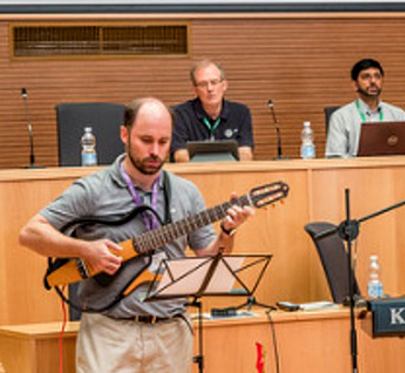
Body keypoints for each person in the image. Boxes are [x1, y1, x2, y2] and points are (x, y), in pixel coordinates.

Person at [19, 97, 255, 372]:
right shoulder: (93, 189)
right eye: (146, 140)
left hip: (171, 334)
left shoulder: (186, 192)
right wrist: (86, 249)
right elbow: (30, 233)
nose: (155, 151)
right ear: (124, 134)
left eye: (164, 142)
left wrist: (227, 231)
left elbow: (210, 256)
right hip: (110, 334)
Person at [172, 59, 254, 161]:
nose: (210, 89)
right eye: (203, 84)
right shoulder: (179, 115)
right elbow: (179, 156)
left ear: (224, 85)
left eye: (214, 82)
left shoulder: (241, 113)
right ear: (195, 89)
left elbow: (246, 154)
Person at [325, 58, 405, 158]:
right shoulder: (340, 117)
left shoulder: (398, 115)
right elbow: (335, 157)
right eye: (366, 77)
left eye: (377, 77)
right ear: (355, 85)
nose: (373, 81)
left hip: (391, 171)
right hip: (355, 172)